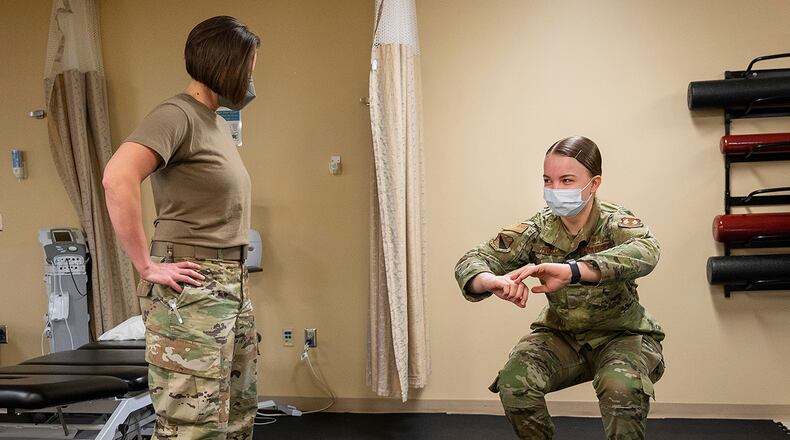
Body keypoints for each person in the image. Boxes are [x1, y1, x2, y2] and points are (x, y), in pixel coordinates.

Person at [103, 16, 260, 440]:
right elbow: (118, 177)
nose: (251, 79)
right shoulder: (176, 114)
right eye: (249, 67)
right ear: (226, 65)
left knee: (237, 416)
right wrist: (146, 266)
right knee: (192, 426)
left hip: (230, 284)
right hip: (192, 288)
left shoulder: (215, 122)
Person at [454, 136, 665, 440]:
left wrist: (572, 271)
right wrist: (492, 281)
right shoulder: (538, 228)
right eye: (547, 180)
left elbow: (647, 250)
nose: (555, 189)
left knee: (622, 387)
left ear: (593, 184)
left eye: (567, 180)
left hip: (621, 334)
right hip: (562, 335)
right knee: (515, 382)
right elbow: (473, 260)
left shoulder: (614, 221)